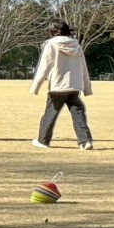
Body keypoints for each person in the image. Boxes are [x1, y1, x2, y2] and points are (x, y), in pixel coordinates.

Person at [30, 19, 94, 150]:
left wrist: (35, 87)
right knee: (78, 113)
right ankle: (85, 141)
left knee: (50, 113)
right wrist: (87, 88)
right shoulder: (76, 45)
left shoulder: (51, 44)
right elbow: (83, 67)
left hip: (58, 85)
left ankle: (43, 141)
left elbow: (44, 66)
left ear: (52, 31)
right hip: (74, 85)